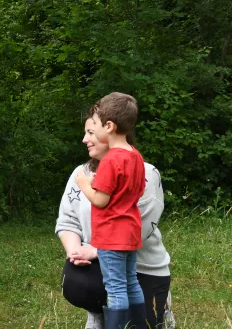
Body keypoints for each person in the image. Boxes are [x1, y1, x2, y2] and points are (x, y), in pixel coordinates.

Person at [56, 117, 174, 329]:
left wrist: (95, 250)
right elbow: (67, 220)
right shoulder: (80, 173)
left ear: (109, 130)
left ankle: (160, 308)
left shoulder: (145, 170)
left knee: (141, 314)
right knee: (80, 284)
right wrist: (76, 251)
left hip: (141, 266)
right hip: (101, 259)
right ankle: (97, 313)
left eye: (91, 133)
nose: (84, 139)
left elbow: (143, 226)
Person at [74, 93, 147, 329]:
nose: (92, 131)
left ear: (109, 126)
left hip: (111, 235)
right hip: (130, 232)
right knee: (131, 282)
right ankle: (137, 325)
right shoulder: (135, 155)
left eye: (94, 126)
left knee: (115, 287)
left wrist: (84, 183)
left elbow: (101, 200)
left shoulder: (110, 160)